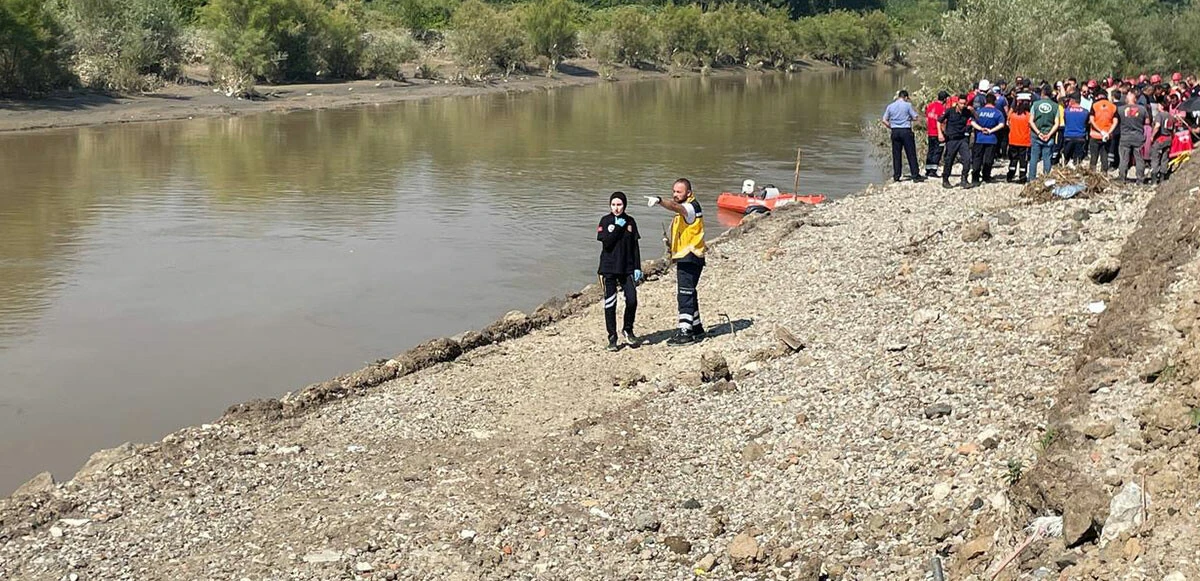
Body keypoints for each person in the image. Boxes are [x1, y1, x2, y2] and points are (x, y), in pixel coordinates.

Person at [646, 178, 707, 345]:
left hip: (690, 256)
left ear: (688, 193)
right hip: (690, 256)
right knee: (690, 292)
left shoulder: (690, 207)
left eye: (679, 192)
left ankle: (685, 332)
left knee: (685, 294)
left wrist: (659, 200)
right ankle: (696, 327)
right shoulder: (688, 207)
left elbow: (675, 207)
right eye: (673, 191)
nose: (675, 195)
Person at [597, 192, 643, 351]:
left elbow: (635, 247)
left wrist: (637, 267)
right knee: (610, 303)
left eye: (619, 205)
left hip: (627, 268)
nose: (616, 208)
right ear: (610, 206)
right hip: (608, 269)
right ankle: (612, 337)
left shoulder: (631, 221)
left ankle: (628, 330)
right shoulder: (605, 221)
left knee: (632, 300)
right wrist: (617, 227)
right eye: (613, 205)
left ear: (625, 205)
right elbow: (607, 243)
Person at [881, 89, 925, 182]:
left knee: (896, 154)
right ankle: (915, 175)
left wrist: (891, 126)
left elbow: (884, 120)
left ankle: (897, 176)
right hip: (905, 131)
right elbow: (915, 117)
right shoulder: (907, 105)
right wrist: (910, 119)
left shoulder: (890, 106)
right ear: (905, 97)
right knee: (911, 153)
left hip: (895, 131)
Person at [969, 93, 1006, 185]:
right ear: (994, 102)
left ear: (985, 101)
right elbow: (1002, 124)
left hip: (979, 138)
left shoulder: (979, 111)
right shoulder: (997, 113)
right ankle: (986, 176)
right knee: (988, 159)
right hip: (991, 138)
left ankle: (975, 177)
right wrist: (991, 130)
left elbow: (972, 122)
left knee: (977, 158)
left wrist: (980, 129)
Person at [939, 94, 974, 189]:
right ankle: (945, 179)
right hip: (951, 139)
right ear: (957, 102)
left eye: (964, 103)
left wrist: (973, 111)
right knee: (949, 160)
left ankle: (964, 179)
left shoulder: (967, 112)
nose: (962, 105)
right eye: (961, 103)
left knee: (967, 159)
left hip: (962, 139)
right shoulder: (950, 111)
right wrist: (940, 133)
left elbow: (976, 119)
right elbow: (939, 121)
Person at [1117, 91, 1150, 183]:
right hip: (1138, 137)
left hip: (1125, 137)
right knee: (1139, 159)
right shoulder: (1142, 109)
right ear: (1135, 99)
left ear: (1126, 100)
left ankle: (1122, 178)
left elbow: (1116, 121)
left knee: (1124, 158)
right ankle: (1140, 179)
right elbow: (1147, 122)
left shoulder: (1120, 109)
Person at [1030, 87, 1060, 180]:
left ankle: (1032, 178)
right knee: (1047, 158)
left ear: (1042, 94)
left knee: (1034, 158)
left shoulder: (1035, 104)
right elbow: (1057, 123)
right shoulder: (1055, 106)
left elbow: (1031, 121)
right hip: (1049, 135)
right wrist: (1049, 134)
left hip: (1036, 135)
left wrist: (1038, 133)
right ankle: (1046, 179)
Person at [1088, 90, 1118, 172]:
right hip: (1107, 137)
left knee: (1094, 157)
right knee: (1104, 156)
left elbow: (1091, 120)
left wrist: (1100, 131)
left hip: (1095, 135)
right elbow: (1115, 121)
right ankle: (1104, 174)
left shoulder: (1094, 105)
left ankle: (1092, 174)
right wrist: (1108, 132)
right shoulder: (1113, 106)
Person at [1006, 99, 1032, 183]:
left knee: (1013, 159)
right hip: (1024, 141)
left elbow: (1008, 121)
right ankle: (1022, 177)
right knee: (1023, 160)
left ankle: (1010, 175)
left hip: (1013, 140)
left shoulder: (1012, 115)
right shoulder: (1028, 115)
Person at [924, 91, 949, 178]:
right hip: (938, 133)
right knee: (938, 151)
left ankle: (928, 169)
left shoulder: (930, 106)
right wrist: (943, 132)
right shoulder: (942, 108)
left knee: (930, 150)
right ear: (945, 99)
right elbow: (942, 121)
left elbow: (927, 118)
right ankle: (933, 170)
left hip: (930, 132)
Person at [1061, 95, 1090, 167]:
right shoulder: (1085, 111)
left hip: (1068, 136)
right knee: (1077, 160)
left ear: (1072, 101)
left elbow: (1065, 121)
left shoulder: (1066, 111)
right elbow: (1086, 123)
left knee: (1066, 157)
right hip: (1080, 137)